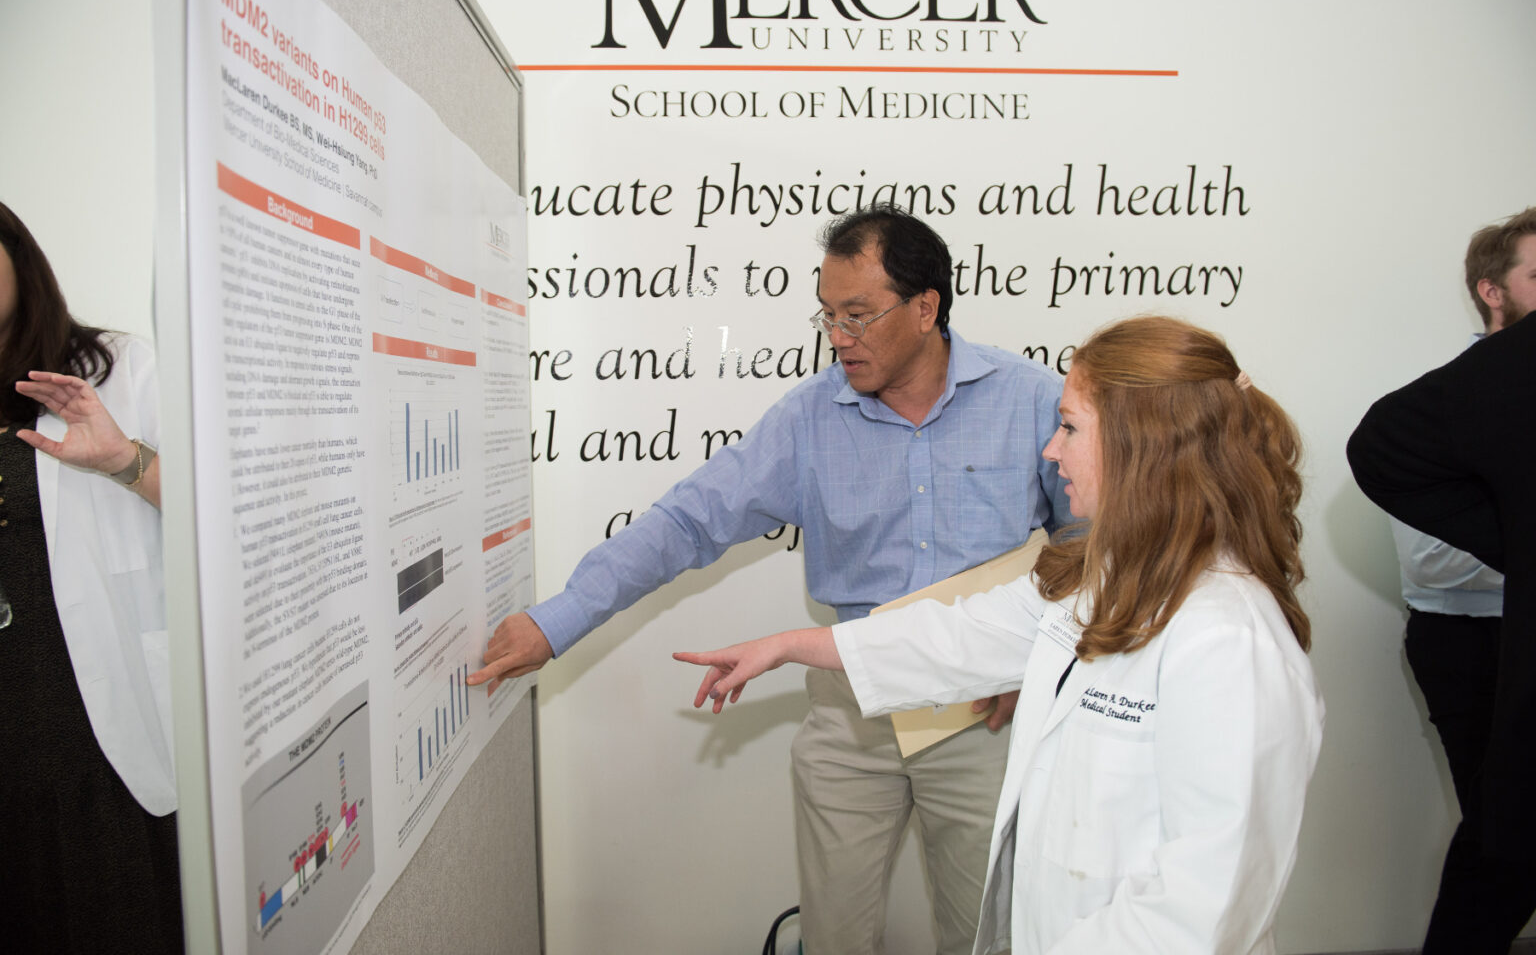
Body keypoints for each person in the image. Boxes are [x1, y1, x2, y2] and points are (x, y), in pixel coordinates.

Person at [469, 204, 1072, 954]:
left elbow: (1087, 548)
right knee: (833, 938)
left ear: (926, 308)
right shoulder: (810, 419)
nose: (839, 339)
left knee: (990, 936)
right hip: (852, 716)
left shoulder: (1033, 399)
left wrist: (1040, 664)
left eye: (858, 316)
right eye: (827, 316)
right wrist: (557, 620)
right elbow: (689, 522)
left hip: (985, 714)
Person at [679, 315, 1325, 955]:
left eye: (1070, 427)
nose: (1051, 449)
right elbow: (955, 636)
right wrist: (788, 645)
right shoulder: (1099, 582)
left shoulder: (1230, 640)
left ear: (1143, 444)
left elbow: (1206, 910)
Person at [1349, 221, 1536, 954]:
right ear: (1492, 291)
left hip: (1509, 631)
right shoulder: (1461, 400)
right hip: (1471, 642)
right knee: (1505, 836)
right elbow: (1431, 565)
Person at [0, 200, 181, 953]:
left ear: (17, 256)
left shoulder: (114, 369)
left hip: (91, 741)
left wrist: (122, 460)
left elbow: (235, 524)